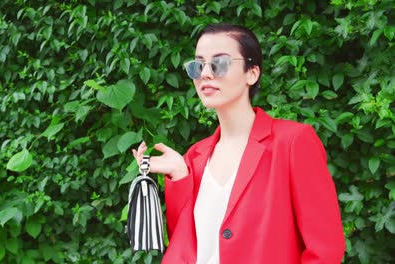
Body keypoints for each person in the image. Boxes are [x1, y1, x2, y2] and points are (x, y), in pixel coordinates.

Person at [132, 23, 345, 264]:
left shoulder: (292, 142)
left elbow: (325, 250)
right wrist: (180, 176)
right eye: (198, 65)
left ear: (252, 73)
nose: (205, 73)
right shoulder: (195, 156)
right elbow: (186, 244)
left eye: (219, 63)